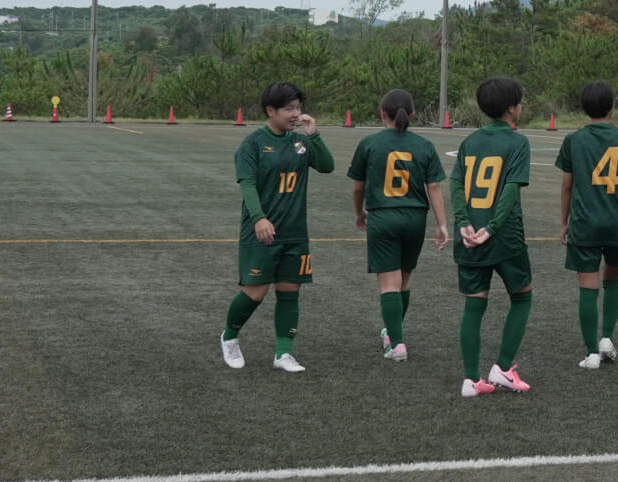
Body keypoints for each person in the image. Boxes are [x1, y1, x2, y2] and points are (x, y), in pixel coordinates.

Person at [220, 82, 335, 373]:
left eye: (298, 108)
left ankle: (283, 353)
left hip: (295, 231)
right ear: (271, 111)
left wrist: (314, 134)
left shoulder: (301, 143)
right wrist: (259, 218)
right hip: (262, 232)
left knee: (289, 290)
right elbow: (247, 184)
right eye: (289, 109)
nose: (296, 114)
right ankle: (229, 337)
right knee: (255, 293)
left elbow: (327, 166)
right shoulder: (252, 144)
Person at [347, 88, 450, 362]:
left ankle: (397, 345)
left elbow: (358, 188)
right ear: (412, 115)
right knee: (404, 279)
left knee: (389, 284)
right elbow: (434, 187)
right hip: (415, 218)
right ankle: (393, 334)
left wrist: (359, 213)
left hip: (383, 217)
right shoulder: (424, 145)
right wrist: (442, 224)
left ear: (382, 113)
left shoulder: (370, 143)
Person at [451, 77, 535, 397]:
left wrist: (463, 221)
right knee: (522, 296)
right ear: (511, 108)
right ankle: (502, 367)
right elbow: (511, 188)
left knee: (474, 304)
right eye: (520, 102)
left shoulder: (469, 142)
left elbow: (456, 183)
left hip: (469, 234)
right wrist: (494, 226)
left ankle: (471, 379)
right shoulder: (518, 142)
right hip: (504, 235)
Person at [556, 80, 618, 368]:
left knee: (588, 284)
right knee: (613, 279)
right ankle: (607, 337)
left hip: (586, 221)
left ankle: (591, 352)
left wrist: (564, 222)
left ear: (584, 108)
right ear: (612, 107)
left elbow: (567, 185)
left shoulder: (573, 140)